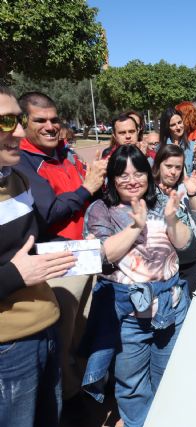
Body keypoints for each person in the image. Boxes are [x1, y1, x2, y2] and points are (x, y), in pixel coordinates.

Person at [82, 144, 191, 427]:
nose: (132, 180)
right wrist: (134, 227)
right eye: (123, 174)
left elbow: (183, 242)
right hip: (128, 314)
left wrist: (170, 218)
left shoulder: (162, 202)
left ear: (149, 174)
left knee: (169, 375)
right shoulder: (100, 210)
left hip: (171, 305)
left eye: (139, 172)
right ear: (112, 179)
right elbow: (105, 255)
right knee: (132, 384)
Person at [16, 91, 106, 409]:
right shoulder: (24, 163)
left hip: (86, 254)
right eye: (40, 120)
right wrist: (86, 188)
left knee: (84, 331)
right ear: (23, 123)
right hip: (57, 262)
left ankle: (84, 388)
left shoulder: (64, 152)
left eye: (54, 119)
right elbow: (49, 213)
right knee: (64, 338)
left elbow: (90, 190)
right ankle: (69, 399)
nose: (50, 126)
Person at [0, 86, 76, 427]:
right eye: (6, 123)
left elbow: (34, 243)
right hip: (9, 348)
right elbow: (20, 267)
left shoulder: (16, 179)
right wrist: (15, 276)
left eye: (17, 120)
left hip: (46, 328)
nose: (19, 131)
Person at [152, 144, 196, 293]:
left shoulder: (185, 187)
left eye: (178, 167)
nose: (173, 172)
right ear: (158, 165)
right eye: (168, 166)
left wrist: (192, 194)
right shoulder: (149, 191)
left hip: (192, 262)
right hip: (165, 267)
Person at [158, 107, 196, 176]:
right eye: (173, 125)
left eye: (179, 122)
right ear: (167, 128)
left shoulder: (193, 146)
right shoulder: (160, 148)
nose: (178, 127)